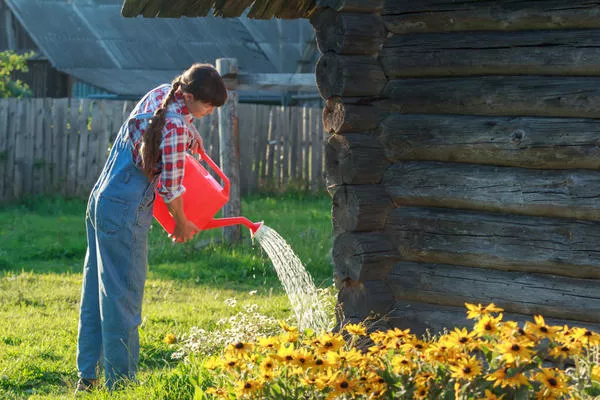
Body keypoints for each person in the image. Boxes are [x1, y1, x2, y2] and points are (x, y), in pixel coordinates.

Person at [75, 63, 227, 393]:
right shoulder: (173, 128)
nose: (211, 112)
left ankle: (87, 378)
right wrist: (183, 224)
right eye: (207, 106)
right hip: (124, 212)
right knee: (123, 301)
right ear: (188, 96)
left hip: (101, 200)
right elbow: (171, 191)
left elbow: (171, 126)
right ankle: (123, 386)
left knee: (96, 295)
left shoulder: (163, 94)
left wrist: (193, 130)